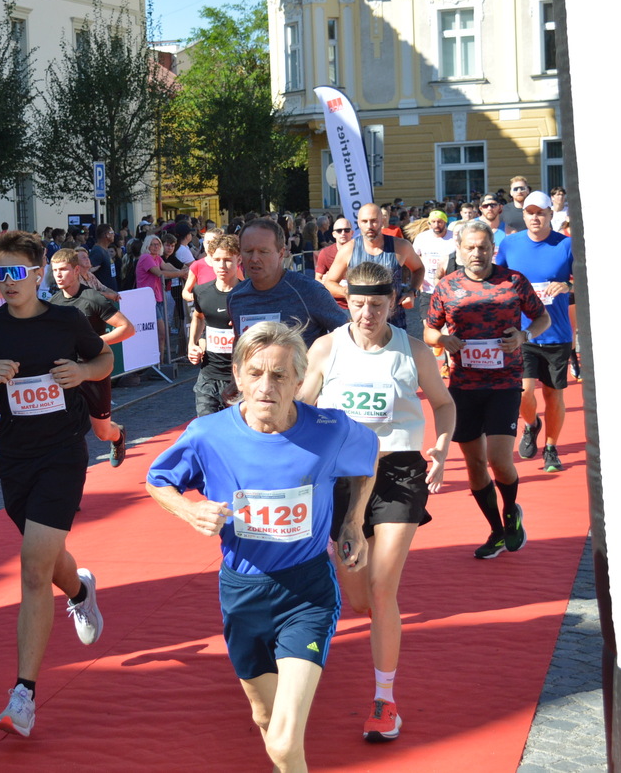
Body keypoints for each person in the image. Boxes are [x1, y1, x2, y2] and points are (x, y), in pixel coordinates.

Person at [145, 322, 379, 773]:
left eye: (279, 375)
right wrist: (190, 510)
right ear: (237, 374)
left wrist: (353, 520)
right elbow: (158, 480)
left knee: (286, 742)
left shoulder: (329, 428)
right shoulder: (208, 434)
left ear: (299, 379)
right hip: (242, 594)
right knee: (265, 719)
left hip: (307, 592)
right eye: (254, 373)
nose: (265, 386)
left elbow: (367, 456)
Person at [0, 230, 112, 738]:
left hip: (63, 455)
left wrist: (82, 372)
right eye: (0, 273)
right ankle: (81, 590)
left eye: (17, 272)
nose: (8, 281)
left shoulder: (66, 320)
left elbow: (104, 360)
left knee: (32, 568)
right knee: (45, 557)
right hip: (16, 461)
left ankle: (23, 696)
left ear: (39, 274)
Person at [298, 262, 455, 743]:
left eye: (377, 305)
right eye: (359, 304)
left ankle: (385, 702)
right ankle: (349, 572)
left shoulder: (412, 351)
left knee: (384, 588)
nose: (367, 314)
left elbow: (444, 403)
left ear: (393, 303)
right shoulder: (327, 349)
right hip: (342, 481)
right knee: (361, 599)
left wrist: (441, 448)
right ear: (347, 302)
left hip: (398, 474)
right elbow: (300, 409)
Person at [424, 220, 550, 559]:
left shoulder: (513, 281)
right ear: (459, 249)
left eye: (483, 247)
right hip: (464, 386)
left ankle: (511, 511)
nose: (476, 253)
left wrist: (523, 336)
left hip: (504, 383)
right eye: (470, 247)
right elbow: (429, 331)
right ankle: (496, 530)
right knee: (476, 464)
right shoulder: (447, 287)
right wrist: (444, 340)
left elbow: (543, 318)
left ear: (493, 248)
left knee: (499, 459)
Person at [496, 190, 575, 473]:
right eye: (530, 213)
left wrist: (568, 286)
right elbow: (496, 279)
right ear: (524, 215)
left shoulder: (566, 244)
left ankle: (551, 448)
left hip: (557, 333)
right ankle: (531, 425)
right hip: (521, 333)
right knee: (523, 392)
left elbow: (587, 279)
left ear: (550, 214)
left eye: (541, 213)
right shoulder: (510, 244)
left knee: (553, 395)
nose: (535, 218)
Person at [49, 247, 134, 466]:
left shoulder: (93, 298)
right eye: (55, 270)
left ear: (76, 270)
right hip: (66, 373)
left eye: (63, 270)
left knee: (102, 432)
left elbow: (127, 328)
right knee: (65, 426)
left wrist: (95, 342)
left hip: (94, 370)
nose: (58, 275)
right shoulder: (53, 303)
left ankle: (118, 435)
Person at [228, 219, 347, 348]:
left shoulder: (309, 291)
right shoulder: (235, 297)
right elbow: (238, 346)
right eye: (248, 251)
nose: (255, 259)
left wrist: (316, 356)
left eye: (263, 251)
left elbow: (349, 336)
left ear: (281, 254)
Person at [320, 203, 424, 333]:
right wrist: (349, 292)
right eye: (365, 221)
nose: (369, 226)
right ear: (359, 223)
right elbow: (329, 283)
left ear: (382, 221)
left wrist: (412, 292)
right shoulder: (349, 249)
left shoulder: (401, 246)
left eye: (374, 221)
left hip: (394, 321)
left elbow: (419, 268)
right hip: (362, 322)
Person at [187, 233, 241, 416]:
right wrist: (192, 345)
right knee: (206, 426)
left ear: (239, 260)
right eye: (217, 260)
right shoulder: (201, 291)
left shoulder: (247, 294)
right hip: (208, 376)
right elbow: (198, 316)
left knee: (236, 429)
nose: (222, 266)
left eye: (228, 260)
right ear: (210, 260)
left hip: (239, 378)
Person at [135, 234, 188, 362]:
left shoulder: (157, 258)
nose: (156, 246)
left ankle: (161, 361)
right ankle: (158, 362)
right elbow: (160, 273)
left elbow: (166, 266)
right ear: (147, 246)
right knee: (160, 332)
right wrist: (180, 273)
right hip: (147, 300)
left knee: (161, 333)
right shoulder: (146, 257)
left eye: (158, 244)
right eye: (153, 244)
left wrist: (181, 271)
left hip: (157, 298)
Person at [315, 216, 355, 310]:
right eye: (339, 230)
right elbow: (317, 279)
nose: (343, 233)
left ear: (352, 233)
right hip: (335, 304)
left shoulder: (361, 251)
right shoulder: (325, 253)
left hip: (358, 303)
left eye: (346, 230)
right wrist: (326, 282)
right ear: (333, 234)